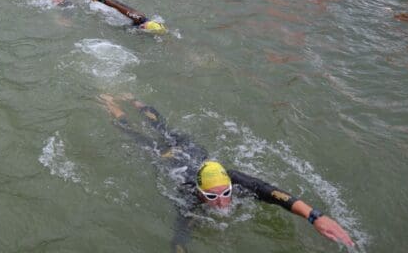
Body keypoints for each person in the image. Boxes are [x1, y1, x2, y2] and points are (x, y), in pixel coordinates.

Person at [99, 94, 355, 251]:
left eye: (225, 193)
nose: (221, 202)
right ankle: (109, 102)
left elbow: (277, 195)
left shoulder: (237, 181)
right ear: (199, 193)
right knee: (136, 135)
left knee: (164, 127)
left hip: (191, 149)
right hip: (169, 159)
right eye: (211, 197)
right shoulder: (188, 196)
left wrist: (315, 218)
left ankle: (134, 98)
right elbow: (179, 238)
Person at [89, 0, 165, 32]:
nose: (142, 27)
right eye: (144, 27)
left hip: (125, 20)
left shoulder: (141, 27)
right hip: (119, 11)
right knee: (117, 5)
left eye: (144, 28)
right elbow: (117, 5)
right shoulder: (138, 17)